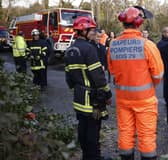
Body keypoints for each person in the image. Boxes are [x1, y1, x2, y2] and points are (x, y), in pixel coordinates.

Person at [107, 7, 164, 160]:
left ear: (123, 22)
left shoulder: (113, 45)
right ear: (139, 23)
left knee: (125, 132)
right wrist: (148, 84)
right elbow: (158, 74)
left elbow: (112, 70)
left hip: (123, 99)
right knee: (146, 135)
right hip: (145, 99)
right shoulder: (147, 45)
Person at [64, 16, 112, 160]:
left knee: (83, 128)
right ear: (83, 31)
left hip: (79, 98)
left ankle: (86, 156)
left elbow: (69, 78)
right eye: (92, 30)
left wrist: (78, 88)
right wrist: (108, 94)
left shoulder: (70, 49)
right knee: (93, 131)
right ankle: (93, 157)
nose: (94, 33)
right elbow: (98, 75)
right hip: (93, 100)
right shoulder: (89, 49)